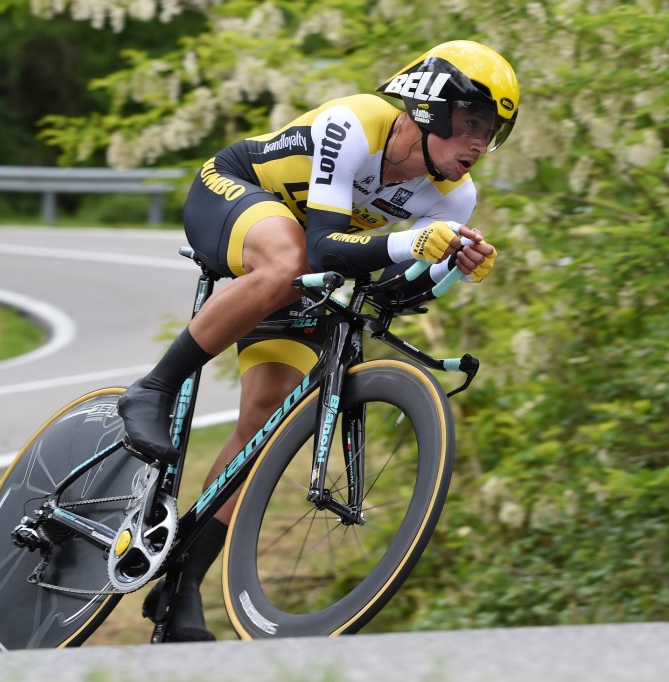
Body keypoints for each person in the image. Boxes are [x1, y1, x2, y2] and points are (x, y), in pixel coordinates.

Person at [118, 39, 520, 641]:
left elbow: (386, 292)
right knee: (288, 263)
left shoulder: (455, 196)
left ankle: (180, 587)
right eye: (470, 125)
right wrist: (413, 243)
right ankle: (154, 388)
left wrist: (447, 270)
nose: (479, 145)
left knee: (261, 423)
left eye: (490, 134)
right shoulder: (354, 123)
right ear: (429, 109)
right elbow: (326, 248)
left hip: (303, 264)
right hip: (235, 193)